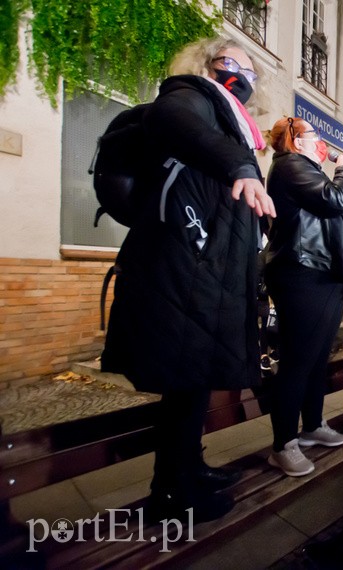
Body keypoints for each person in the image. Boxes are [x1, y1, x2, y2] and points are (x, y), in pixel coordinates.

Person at [101, 37, 275, 522]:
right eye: (230, 65)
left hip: (208, 272)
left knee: (193, 382)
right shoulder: (190, 94)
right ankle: (170, 493)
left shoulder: (229, 121)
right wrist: (241, 165)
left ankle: (189, 468)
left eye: (249, 72)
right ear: (207, 65)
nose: (240, 77)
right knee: (184, 378)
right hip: (184, 268)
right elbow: (168, 120)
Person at [262, 116, 343, 477]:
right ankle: (283, 444)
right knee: (297, 360)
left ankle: (313, 425)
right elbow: (333, 200)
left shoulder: (305, 169)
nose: (321, 142)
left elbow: (324, 214)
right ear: (295, 140)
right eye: (314, 135)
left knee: (317, 357)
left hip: (322, 273)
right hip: (301, 273)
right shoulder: (290, 166)